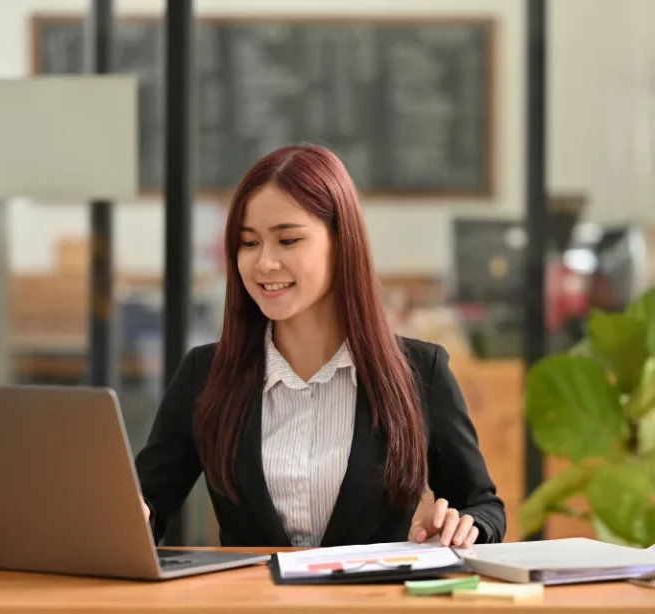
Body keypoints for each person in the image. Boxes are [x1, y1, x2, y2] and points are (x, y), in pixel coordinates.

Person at [135, 144, 505, 549]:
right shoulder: (204, 374)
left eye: (288, 240)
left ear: (341, 241)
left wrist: (461, 525)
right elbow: (148, 504)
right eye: (249, 243)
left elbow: (483, 507)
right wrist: (135, 513)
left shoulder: (419, 371)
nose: (264, 263)